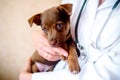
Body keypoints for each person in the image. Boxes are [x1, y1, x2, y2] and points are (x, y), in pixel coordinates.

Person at [19, 0, 120, 80]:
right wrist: (37, 35)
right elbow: (48, 21)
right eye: (46, 29)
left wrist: (33, 78)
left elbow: (110, 73)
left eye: (59, 26)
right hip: (40, 67)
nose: (52, 38)